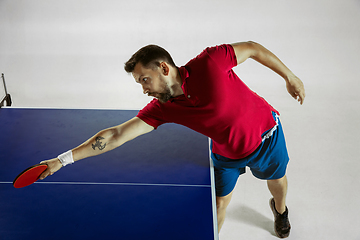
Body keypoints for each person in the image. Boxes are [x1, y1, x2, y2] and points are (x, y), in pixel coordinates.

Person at [39, 41, 305, 238]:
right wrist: (61, 161)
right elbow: (116, 135)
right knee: (219, 203)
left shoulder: (211, 62)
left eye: (145, 80)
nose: (144, 89)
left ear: (164, 68)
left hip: (266, 136)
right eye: (139, 83)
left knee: (277, 182)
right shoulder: (163, 108)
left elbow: (252, 48)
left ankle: (280, 210)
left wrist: (289, 76)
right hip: (227, 153)